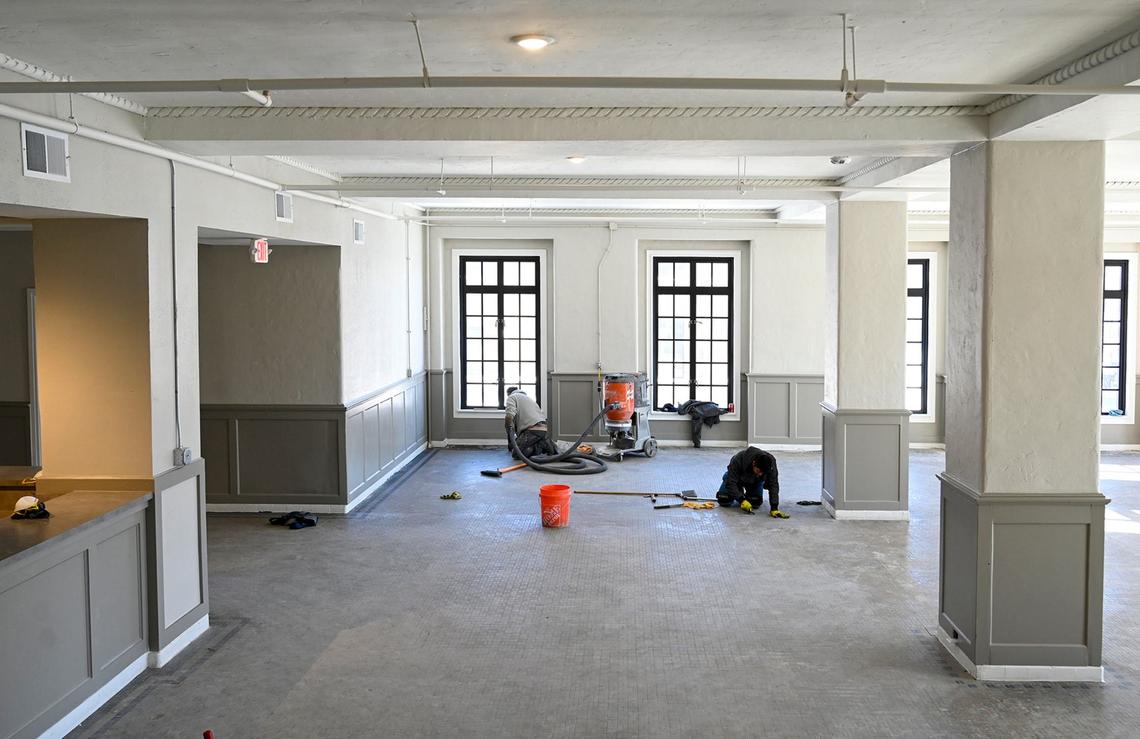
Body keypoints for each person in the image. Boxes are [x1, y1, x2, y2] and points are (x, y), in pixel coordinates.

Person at [715, 446, 789, 518]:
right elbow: (730, 482)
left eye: (762, 473)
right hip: (736, 479)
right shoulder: (739, 459)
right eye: (758, 471)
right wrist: (741, 500)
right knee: (724, 500)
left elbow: (773, 484)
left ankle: (744, 493)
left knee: (755, 503)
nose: (760, 474)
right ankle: (738, 491)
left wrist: (774, 507)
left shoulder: (770, 464)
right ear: (754, 463)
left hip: (755, 482)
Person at [504, 387, 558, 460]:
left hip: (531, 431)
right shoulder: (529, 399)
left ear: (508, 393)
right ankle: (543, 444)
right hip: (544, 429)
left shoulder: (512, 397)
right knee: (526, 444)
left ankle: (539, 446)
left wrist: (507, 427)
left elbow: (509, 415)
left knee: (516, 454)